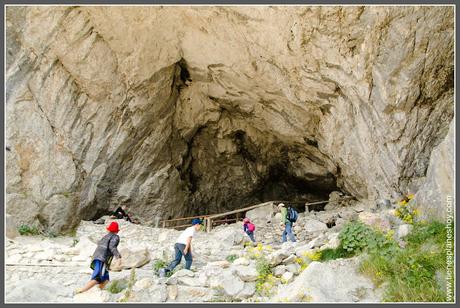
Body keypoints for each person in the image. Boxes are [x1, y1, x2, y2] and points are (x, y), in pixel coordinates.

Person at [75, 221, 122, 294]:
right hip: (102, 259)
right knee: (98, 278)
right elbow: (112, 247)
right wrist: (118, 257)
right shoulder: (115, 237)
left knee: (105, 279)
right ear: (117, 231)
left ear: (109, 230)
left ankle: (98, 293)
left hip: (97, 257)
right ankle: (80, 291)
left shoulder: (105, 236)